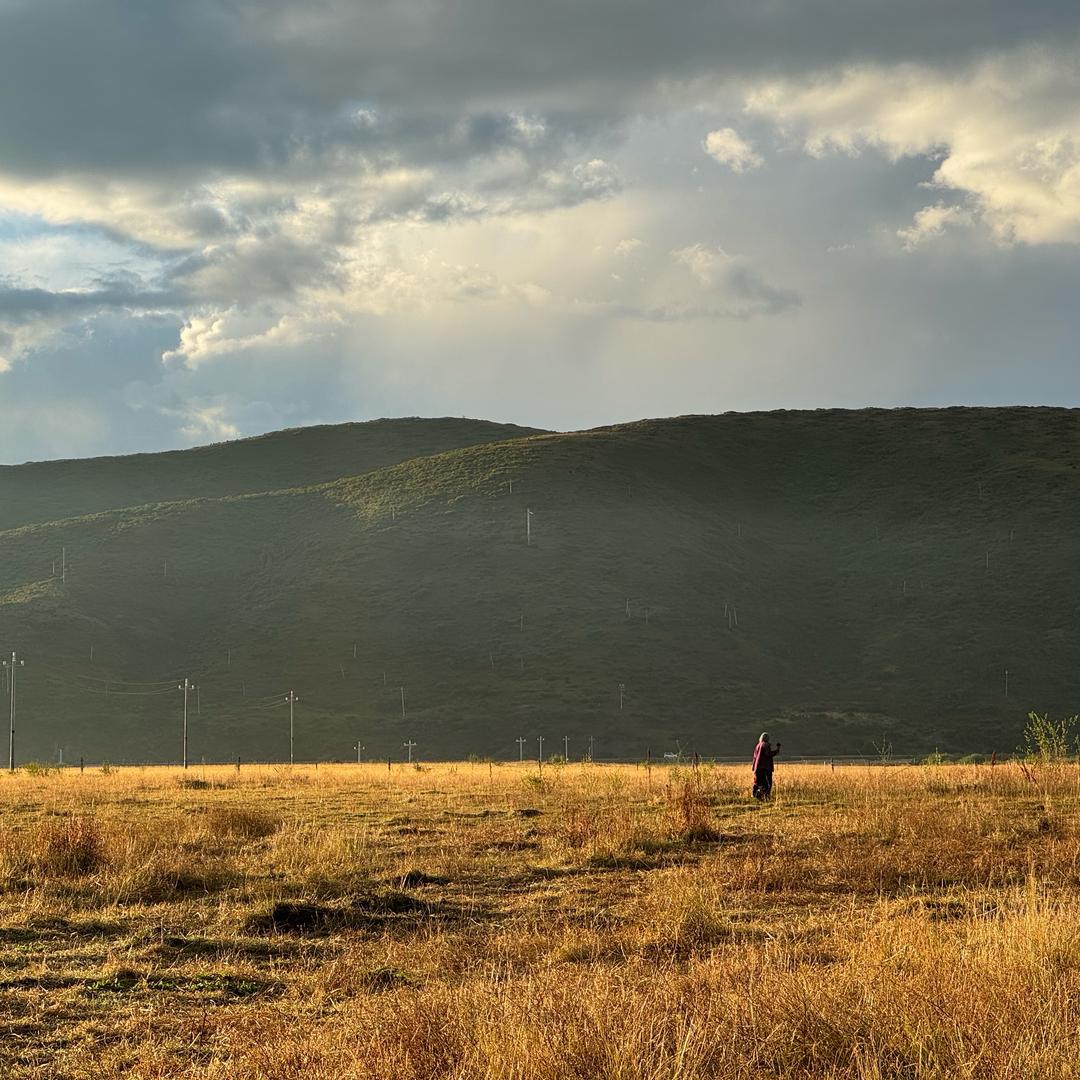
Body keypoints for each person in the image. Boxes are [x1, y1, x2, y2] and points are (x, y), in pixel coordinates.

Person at [751, 732, 780, 799]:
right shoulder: (765, 745)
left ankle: (755, 795)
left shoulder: (758, 745)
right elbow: (768, 754)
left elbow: (755, 757)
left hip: (757, 767)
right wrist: (776, 751)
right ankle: (765, 796)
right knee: (767, 784)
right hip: (765, 767)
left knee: (758, 782)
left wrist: (753, 768)